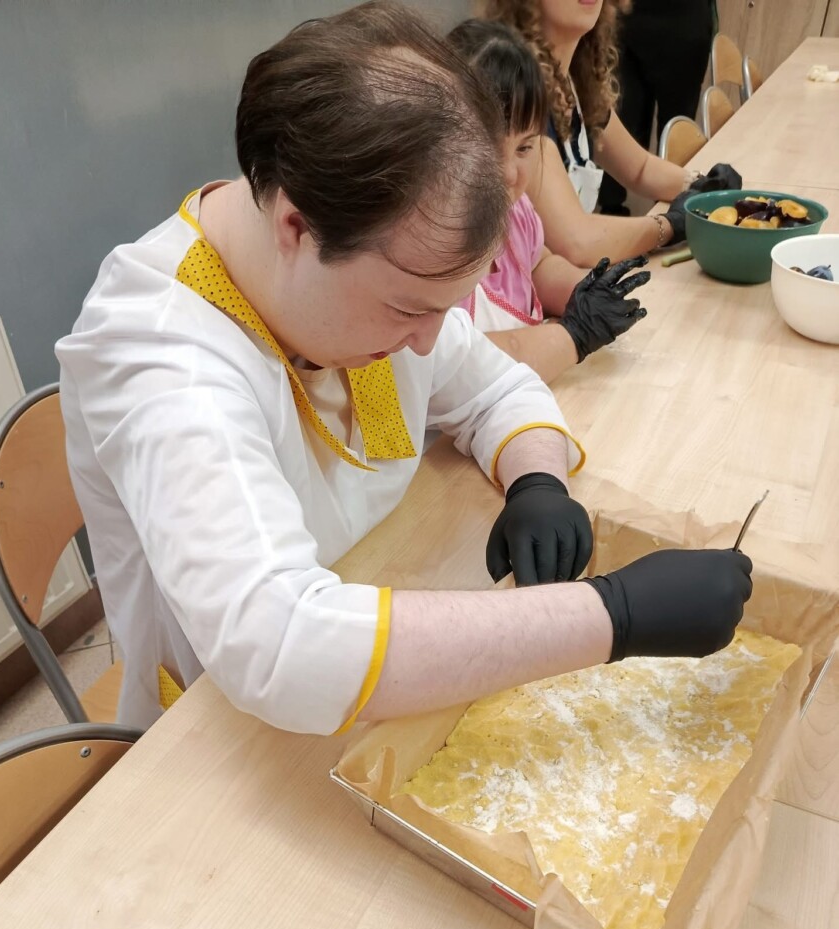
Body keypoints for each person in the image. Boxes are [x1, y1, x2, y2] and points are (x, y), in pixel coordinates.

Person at [56, 0, 752, 736]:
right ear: (295, 226)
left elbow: (495, 387)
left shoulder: (367, 268)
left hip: (373, 620)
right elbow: (282, 645)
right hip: (219, 734)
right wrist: (610, 616)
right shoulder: (163, 353)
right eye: (409, 308)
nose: (428, 342)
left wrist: (537, 480)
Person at [448, 17, 649, 383]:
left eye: (525, 147)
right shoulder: (439, 250)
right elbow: (457, 365)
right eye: (489, 148)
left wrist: (587, 291)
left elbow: (538, 265)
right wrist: (572, 334)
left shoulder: (516, 214)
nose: (510, 173)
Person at [484, 0, 741, 266]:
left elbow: (640, 168)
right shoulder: (516, 89)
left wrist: (702, 187)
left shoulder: (574, 77)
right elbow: (576, 240)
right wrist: (670, 225)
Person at [598, 0, 717, 217]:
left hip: (684, 22)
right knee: (622, 121)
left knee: (675, 135)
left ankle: (674, 215)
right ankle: (611, 211)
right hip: (627, 17)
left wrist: (699, 185)